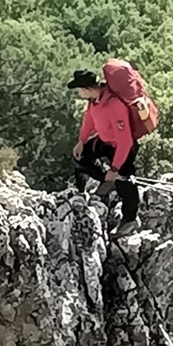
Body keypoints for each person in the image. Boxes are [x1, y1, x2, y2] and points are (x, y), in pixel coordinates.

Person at [67, 68, 140, 234]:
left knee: (126, 181)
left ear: (86, 89)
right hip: (105, 141)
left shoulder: (114, 105)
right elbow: (90, 121)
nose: (79, 93)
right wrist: (81, 141)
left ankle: (130, 219)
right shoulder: (94, 101)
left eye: (79, 90)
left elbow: (125, 141)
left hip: (123, 147)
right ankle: (107, 181)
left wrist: (115, 169)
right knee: (80, 158)